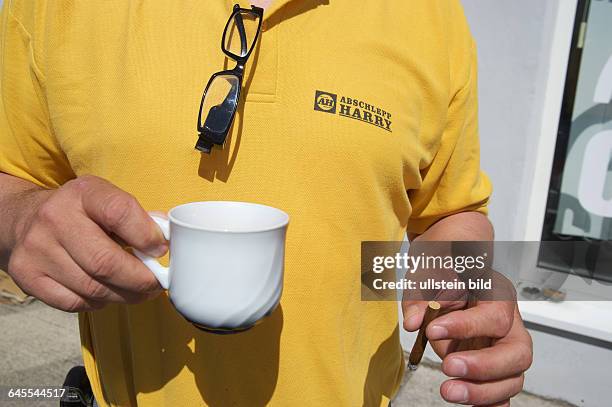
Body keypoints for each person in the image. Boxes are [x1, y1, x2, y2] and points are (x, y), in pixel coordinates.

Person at [0, 0, 532, 406]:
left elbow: (446, 214)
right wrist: (19, 217)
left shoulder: (431, 18)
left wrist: (461, 283)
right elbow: (14, 179)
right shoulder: (52, 8)